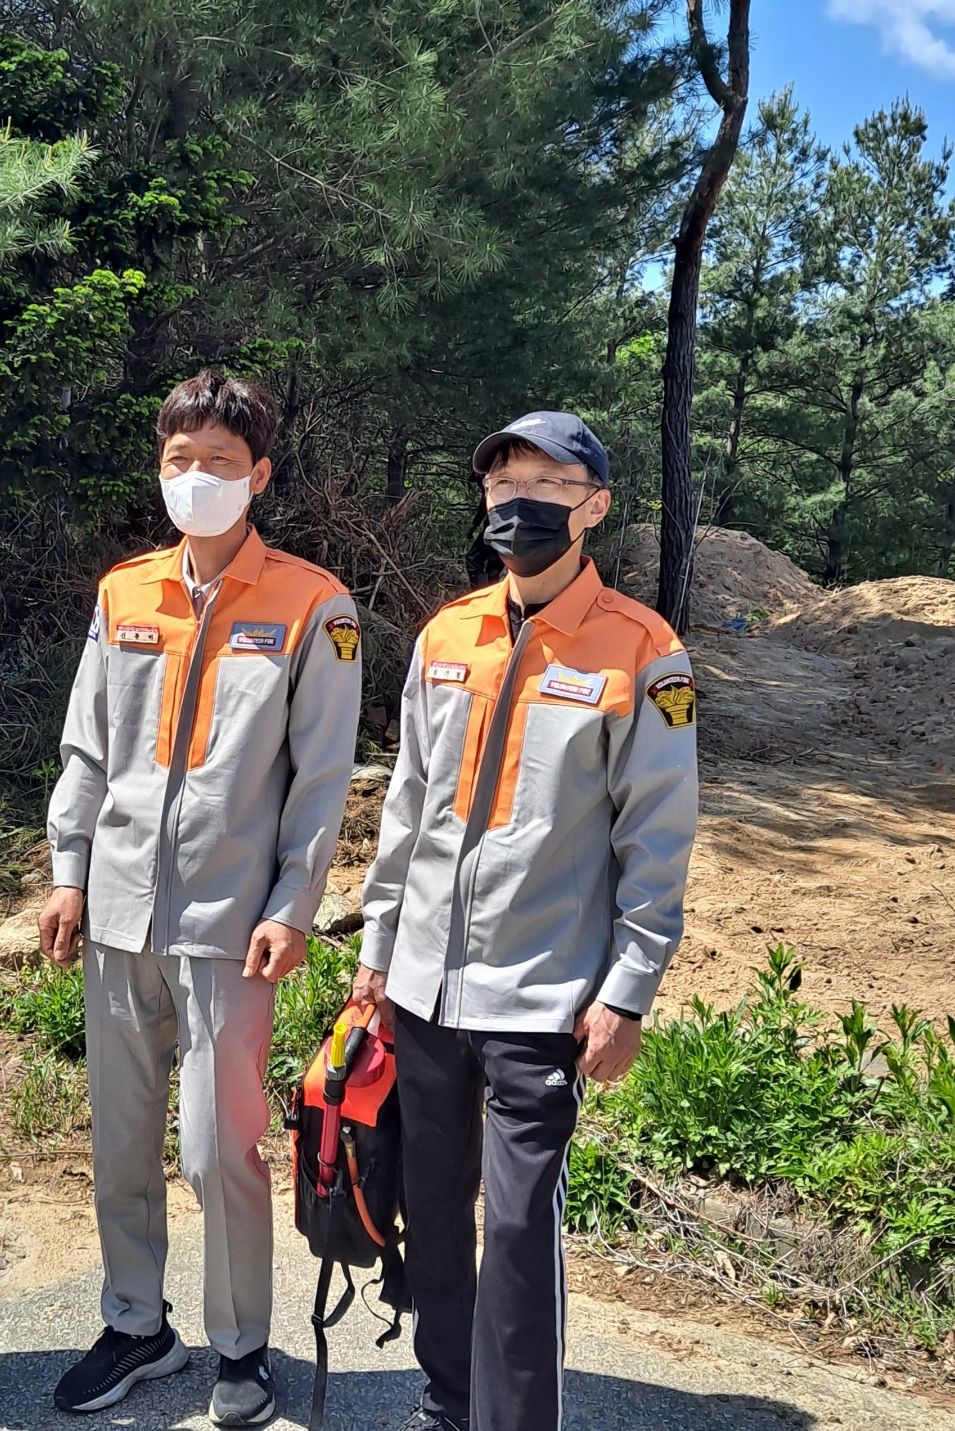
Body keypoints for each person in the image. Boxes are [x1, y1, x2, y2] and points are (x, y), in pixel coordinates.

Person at [353, 412, 699, 1431]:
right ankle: (449, 1400)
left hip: (542, 997)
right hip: (423, 987)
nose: (519, 504)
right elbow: (407, 810)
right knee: (430, 1209)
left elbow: (657, 839)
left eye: (547, 485)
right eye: (503, 485)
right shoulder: (446, 634)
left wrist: (627, 992)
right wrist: (378, 952)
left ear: (594, 507)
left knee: (514, 1230)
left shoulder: (644, 653)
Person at [41, 370, 362, 1426]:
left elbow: (320, 777)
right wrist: (68, 872)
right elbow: (87, 750)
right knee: (121, 1137)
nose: (196, 478)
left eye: (220, 461)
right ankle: (136, 1323)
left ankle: (240, 1345)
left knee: (219, 1146)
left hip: (231, 921)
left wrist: (293, 903)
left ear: (259, 475)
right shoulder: (124, 592)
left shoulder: (314, 604)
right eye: (180, 460)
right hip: (118, 908)